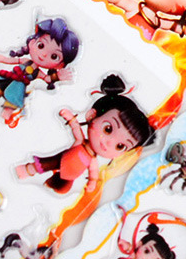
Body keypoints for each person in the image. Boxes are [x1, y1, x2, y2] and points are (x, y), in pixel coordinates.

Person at [16, 74, 154, 194]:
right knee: (45, 164)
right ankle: (27, 170)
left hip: (71, 175)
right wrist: (70, 118)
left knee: (62, 186)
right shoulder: (80, 142)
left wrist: (92, 182)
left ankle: (49, 187)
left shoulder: (92, 161)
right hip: (63, 158)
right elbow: (76, 129)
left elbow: (93, 173)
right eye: (108, 129)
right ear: (91, 115)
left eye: (120, 146)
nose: (108, 143)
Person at [0, 17, 79, 122]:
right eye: (41, 45)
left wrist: (57, 77)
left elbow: (47, 79)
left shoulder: (38, 73)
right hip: (10, 77)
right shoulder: (25, 60)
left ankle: (7, 110)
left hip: (19, 86)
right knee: (0, 84)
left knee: (14, 96)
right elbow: (12, 60)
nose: (44, 54)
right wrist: (2, 59)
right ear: (32, 42)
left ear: (59, 65)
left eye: (54, 56)